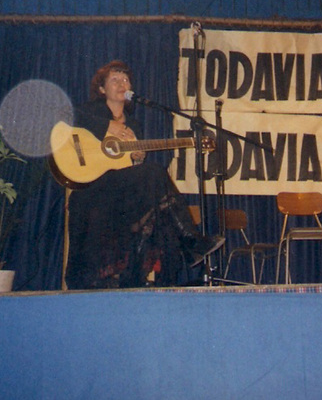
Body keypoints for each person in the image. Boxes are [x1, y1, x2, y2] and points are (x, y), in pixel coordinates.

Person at [65, 60, 224, 289]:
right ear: (102, 89)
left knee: (154, 189)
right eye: (115, 79)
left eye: (126, 80)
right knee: (155, 174)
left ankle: (167, 259)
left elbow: (128, 168)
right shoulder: (91, 111)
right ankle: (190, 242)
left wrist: (137, 158)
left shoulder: (134, 126)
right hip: (93, 191)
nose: (122, 83)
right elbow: (64, 117)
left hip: (119, 198)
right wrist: (106, 127)